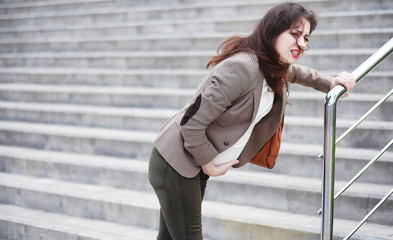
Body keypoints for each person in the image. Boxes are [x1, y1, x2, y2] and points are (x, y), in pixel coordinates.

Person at [148, 2, 356, 240]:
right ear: (272, 32)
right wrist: (209, 165)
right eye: (295, 34)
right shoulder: (244, 68)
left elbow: (297, 73)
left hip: (188, 163)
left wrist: (331, 83)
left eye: (306, 38)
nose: (302, 44)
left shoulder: (273, 66)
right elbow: (191, 123)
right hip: (176, 163)